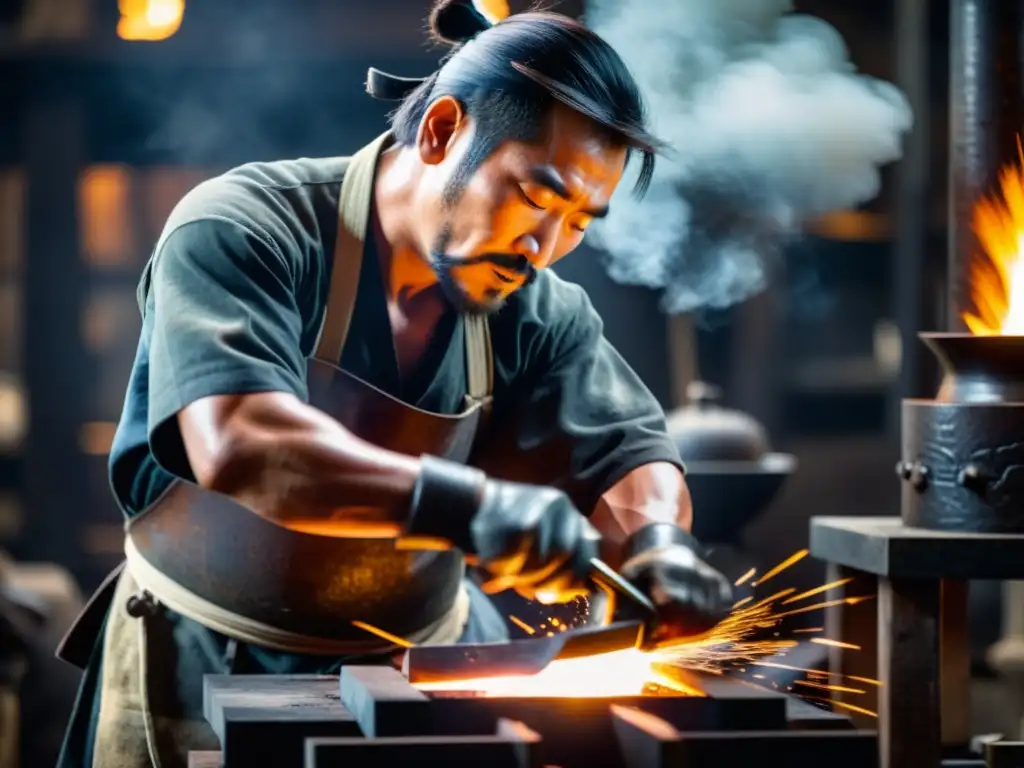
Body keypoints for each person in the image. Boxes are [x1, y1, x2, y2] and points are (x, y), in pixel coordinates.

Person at [56, 1, 734, 766]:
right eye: (538, 199)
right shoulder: (245, 229)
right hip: (200, 660)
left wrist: (658, 544)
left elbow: (627, 449)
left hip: (426, 677)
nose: (545, 248)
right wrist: (463, 507)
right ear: (443, 131)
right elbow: (240, 442)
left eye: (580, 221)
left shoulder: (531, 305)